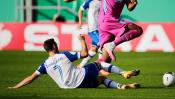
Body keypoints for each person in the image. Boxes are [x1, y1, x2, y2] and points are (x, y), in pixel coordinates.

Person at [64, 0, 143, 63]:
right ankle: (112, 44)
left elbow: (129, 8)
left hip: (107, 25)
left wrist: (133, 4)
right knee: (138, 30)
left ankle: (84, 70)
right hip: (108, 21)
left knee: (105, 60)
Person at [8, 35, 140, 89]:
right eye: (56, 44)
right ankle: (123, 72)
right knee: (99, 64)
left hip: (70, 87)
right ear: (54, 47)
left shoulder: (45, 65)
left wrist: (15, 87)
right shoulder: (63, 55)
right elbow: (84, 54)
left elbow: (31, 78)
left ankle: (121, 86)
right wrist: (82, 41)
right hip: (80, 77)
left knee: (100, 79)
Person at [77, 0, 103, 68]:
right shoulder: (90, 0)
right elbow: (80, 10)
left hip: (101, 29)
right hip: (93, 29)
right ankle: (101, 67)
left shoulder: (105, 1)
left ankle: (80, 66)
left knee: (93, 50)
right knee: (103, 45)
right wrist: (80, 22)